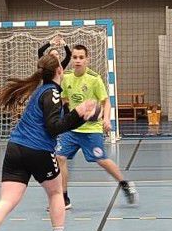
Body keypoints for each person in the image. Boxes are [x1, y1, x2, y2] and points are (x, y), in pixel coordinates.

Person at [0, 51, 99, 231]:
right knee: (56, 192)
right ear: (59, 71)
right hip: (38, 150)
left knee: (7, 200)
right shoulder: (53, 94)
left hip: (15, 148)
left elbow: (57, 117)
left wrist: (76, 114)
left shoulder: (41, 90)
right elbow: (53, 128)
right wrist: (78, 114)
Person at [56, 43, 137, 209]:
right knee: (60, 158)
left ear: (87, 59)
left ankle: (124, 183)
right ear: (71, 59)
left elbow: (105, 101)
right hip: (71, 129)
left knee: (101, 159)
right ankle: (64, 198)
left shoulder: (94, 79)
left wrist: (107, 119)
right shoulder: (67, 78)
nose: (78, 60)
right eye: (75, 57)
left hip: (91, 129)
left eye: (81, 57)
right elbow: (65, 101)